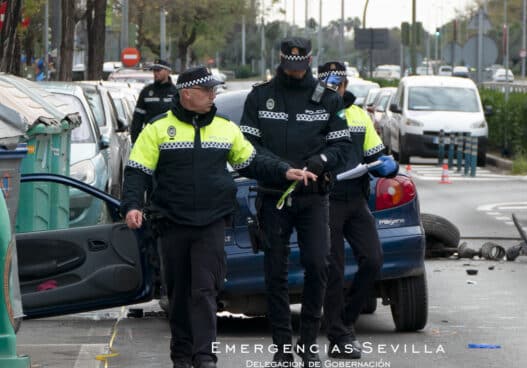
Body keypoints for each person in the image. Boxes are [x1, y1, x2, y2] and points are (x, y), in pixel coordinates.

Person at [121, 66, 315, 368]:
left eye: (214, 90)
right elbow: (137, 171)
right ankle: (182, 356)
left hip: (211, 223)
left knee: (204, 290)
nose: (213, 95)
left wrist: (282, 169)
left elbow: (251, 160)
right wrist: (132, 205)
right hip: (172, 223)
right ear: (187, 93)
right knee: (180, 293)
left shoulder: (225, 128)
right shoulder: (158, 128)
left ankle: (205, 356)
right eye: (207, 91)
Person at [240, 37, 351, 367]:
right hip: (273, 196)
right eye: (290, 64)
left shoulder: (327, 99)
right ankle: (282, 348)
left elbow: (342, 147)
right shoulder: (260, 97)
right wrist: (280, 168)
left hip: (313, 197)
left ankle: (308, 344)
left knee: (318, 264)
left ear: (310, 60)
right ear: (280, 59)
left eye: (301, 65)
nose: (295, 70)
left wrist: (319, 161)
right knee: (275, 272)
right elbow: (248, 147)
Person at [318, 61, 399, 360]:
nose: (333, 89)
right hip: (325, 200)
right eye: (327, 84)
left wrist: (388, 167)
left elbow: (375, 154)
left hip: (355, 199)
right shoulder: (312, 116)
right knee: (334, 269)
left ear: (345, 86)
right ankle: (340, 335)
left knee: (374, 259)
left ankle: (344, 319)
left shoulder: (358, 116)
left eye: (337, 84)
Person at [130, 58, 178, 143]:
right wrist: (135, 141)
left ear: (167, 71)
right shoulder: (146, 92)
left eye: (158, 70)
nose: (155, 73)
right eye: (154, 71)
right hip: (151, 138)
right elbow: (137, 119)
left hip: (171, 138)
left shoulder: (176, 92)